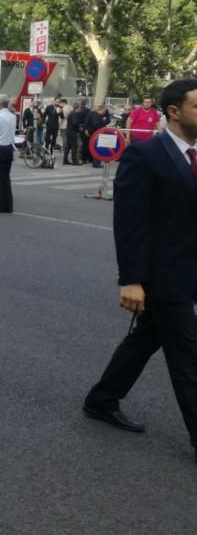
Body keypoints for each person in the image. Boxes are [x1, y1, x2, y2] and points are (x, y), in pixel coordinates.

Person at [83, 78, 197, 463]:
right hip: (163, 277)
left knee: (146, 339)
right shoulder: (146, 155)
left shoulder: (194, 154)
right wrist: (131, 279)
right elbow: (129, 223)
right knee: (188, 357)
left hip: (189, 269)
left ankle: (102, 398)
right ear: (174, 112)